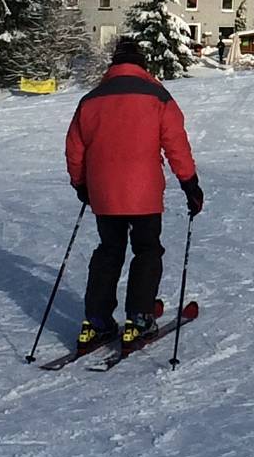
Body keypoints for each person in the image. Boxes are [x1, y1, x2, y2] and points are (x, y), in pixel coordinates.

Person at [64, 38, 204, 350]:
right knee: (147, 250)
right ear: (142, 66)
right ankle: (139, 318)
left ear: (113, 66)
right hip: (144, 193)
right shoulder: (157, 96)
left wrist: (81, 184)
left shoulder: (91, 99)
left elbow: (75, 147)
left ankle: (97, 320)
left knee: (109, 251)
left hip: (104, 193)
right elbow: (176, 144)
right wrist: (190, 184)